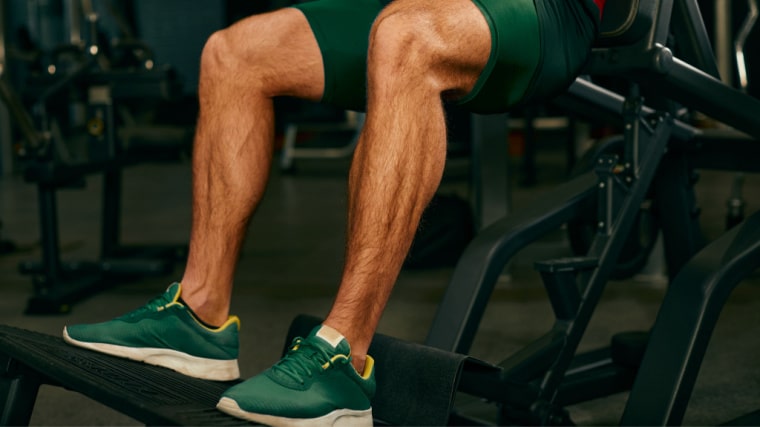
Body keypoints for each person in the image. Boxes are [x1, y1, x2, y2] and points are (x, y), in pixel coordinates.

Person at [62, 0, 605, 425]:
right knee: (234, 52)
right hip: (413, 3)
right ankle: (197, 315)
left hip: (547, 11)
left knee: (406, 36)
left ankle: (343, 359)